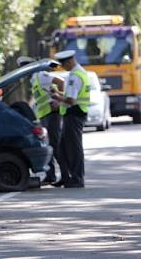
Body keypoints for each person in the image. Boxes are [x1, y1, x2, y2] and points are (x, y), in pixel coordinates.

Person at [19, 57, 65, 184]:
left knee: (54, 145)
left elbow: (61, 82)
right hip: (45, 116)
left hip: (52, 115)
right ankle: (51, 176)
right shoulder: (34, 80)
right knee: (48, 145)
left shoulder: (41, 75)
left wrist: (59, 100)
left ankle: (66, 175)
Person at [51, 50, 90, 188]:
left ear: (69, 62)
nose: (63, 67)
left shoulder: (75, 76)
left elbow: (72, 100)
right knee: (63, 148)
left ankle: (77, 178)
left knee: (74, 148)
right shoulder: (80, 72)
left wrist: (57, 97)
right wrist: (61, 96)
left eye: (63, 64)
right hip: (75, 113)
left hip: (74, 114)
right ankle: (67, 177)